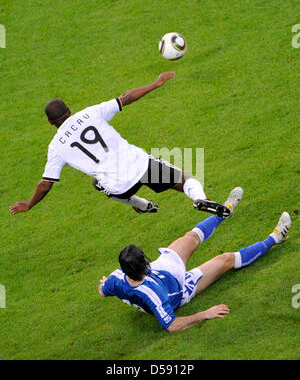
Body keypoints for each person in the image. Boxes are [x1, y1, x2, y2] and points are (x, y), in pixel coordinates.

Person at [9, 72, 230, 217]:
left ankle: (141, 204)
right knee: (184, 179)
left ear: (50, 122)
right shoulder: (90, 113)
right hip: (140, 165)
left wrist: (28, 204)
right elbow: (126, 98)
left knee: (98, 182)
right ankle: (200, 199)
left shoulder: (55, 146)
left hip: (119, 186)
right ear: (70, 110)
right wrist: (156, 82)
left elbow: (45, 184)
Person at [98, 187, 292, 332]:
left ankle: (225, 210)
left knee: (190, 237)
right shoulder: (153, 294)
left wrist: (104, 285)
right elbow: (172, 325)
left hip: (162, 270)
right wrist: (205, 314)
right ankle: (276, 237)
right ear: (142, 265)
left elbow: (103, 291)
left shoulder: (116, 279)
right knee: (225, 260)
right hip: (180, 287)